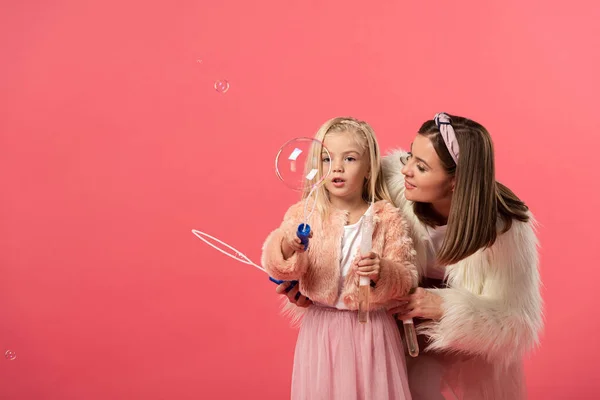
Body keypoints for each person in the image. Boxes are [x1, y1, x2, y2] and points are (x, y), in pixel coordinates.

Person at [277, 113, 543, 399]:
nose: (406, 170)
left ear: (455, 181)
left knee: (429, 382)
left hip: (462, 352)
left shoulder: (503, 228)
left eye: (422, 166)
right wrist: (311, 285)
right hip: (391, 336)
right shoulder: (390, 182)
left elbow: (516, 321)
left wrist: (443, 307)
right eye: (410, 156)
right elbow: (331, 223)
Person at [262, 117, 417, 400]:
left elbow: (405, 278)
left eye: (350, 158)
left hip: (371, 332)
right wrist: (287, 245)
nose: (337, 167)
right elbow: (278, 267)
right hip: (322, 332)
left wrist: (383, 271)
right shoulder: (304, 214)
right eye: (326, 158)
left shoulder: (386, 217)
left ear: (369, 168)